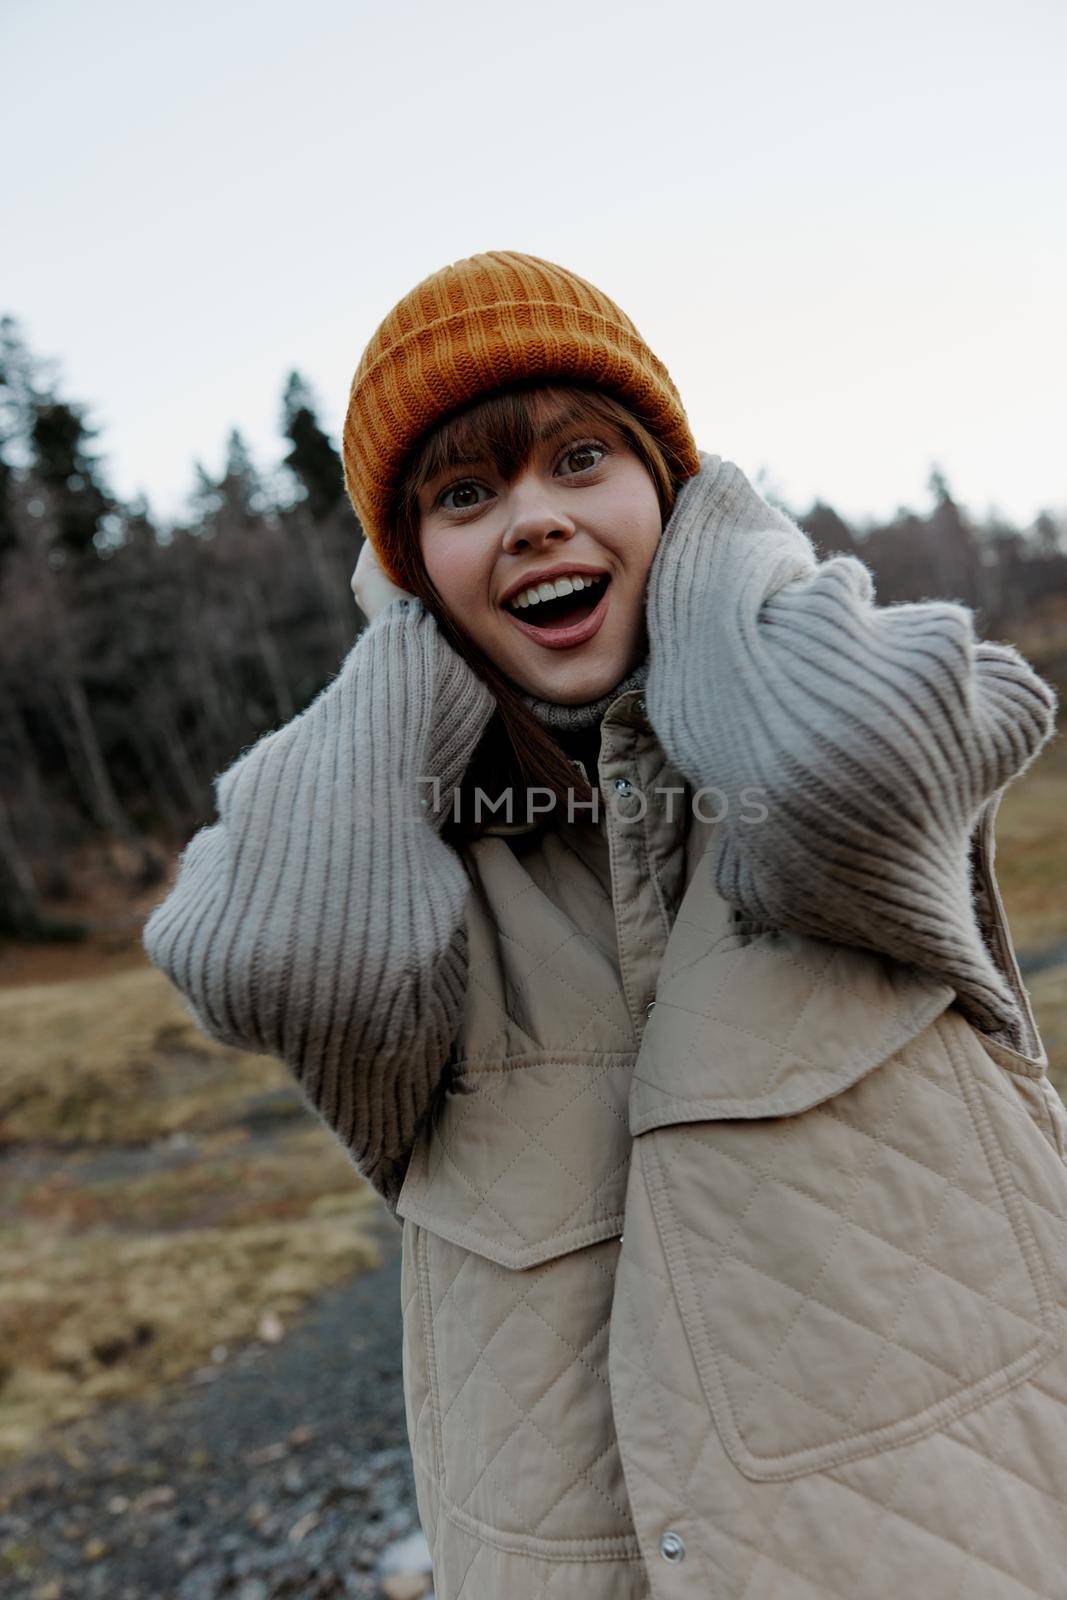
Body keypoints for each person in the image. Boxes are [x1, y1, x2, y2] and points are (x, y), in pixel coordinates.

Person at [143, 250, 1067, 1599]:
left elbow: (846, 775)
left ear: (668, 488)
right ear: (409, 568)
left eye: (583, 461)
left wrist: (715, 564)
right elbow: (282, 953)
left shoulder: (825, 710)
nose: (531, 520)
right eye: (465, 496)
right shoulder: (421, 858)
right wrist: (407, 646)